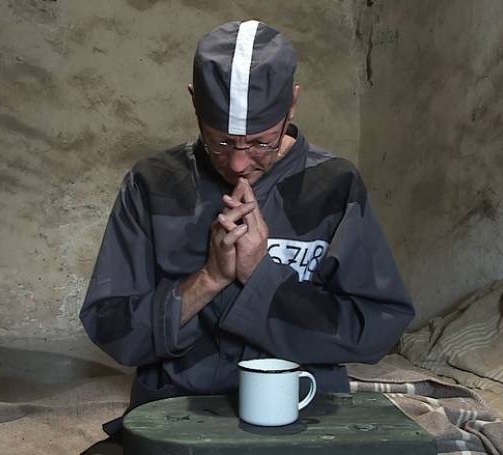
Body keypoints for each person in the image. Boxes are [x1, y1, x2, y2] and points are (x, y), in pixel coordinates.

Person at [80, 19, 414, 442]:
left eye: (260, 143)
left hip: (304, 409)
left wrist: (261, 275)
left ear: (292, 105)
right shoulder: (151, 183)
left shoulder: (335, 186)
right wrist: (208, 279)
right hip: (175, 411)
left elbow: (377, 329)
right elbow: (111, 327)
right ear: (194, 101)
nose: (239, 164)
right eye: (220, 142)